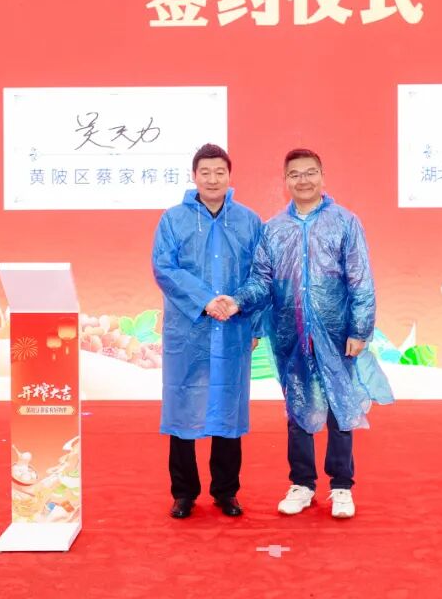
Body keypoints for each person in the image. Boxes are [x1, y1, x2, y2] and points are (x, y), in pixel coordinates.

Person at [221, 148, 393, 519]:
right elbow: (261, 282)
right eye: (295, 174)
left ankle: (342, 486)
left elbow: (361, 281)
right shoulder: (274, 229)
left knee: (340, 407)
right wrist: (238, 303)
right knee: (297, 407)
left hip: (336, 333)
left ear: (322, 176)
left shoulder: (345, 222)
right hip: (290, 333)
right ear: (285, 181)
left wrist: (360, 329)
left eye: (310, 172)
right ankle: (302, 483)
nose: (303, 180)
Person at [151, 143, 264, 519]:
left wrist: (250, 317)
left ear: (230, 175)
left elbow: (262, 275)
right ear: (193, 176)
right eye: (205, 172)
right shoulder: (173, 219)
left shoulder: (248, 221)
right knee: (183, 406)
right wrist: (205, 300)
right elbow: (164, 268)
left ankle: (226, 491)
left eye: (220, 172)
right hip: (189, 328)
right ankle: (183, 493)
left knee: (228, 409)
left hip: (234, 327)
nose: (213, 179)